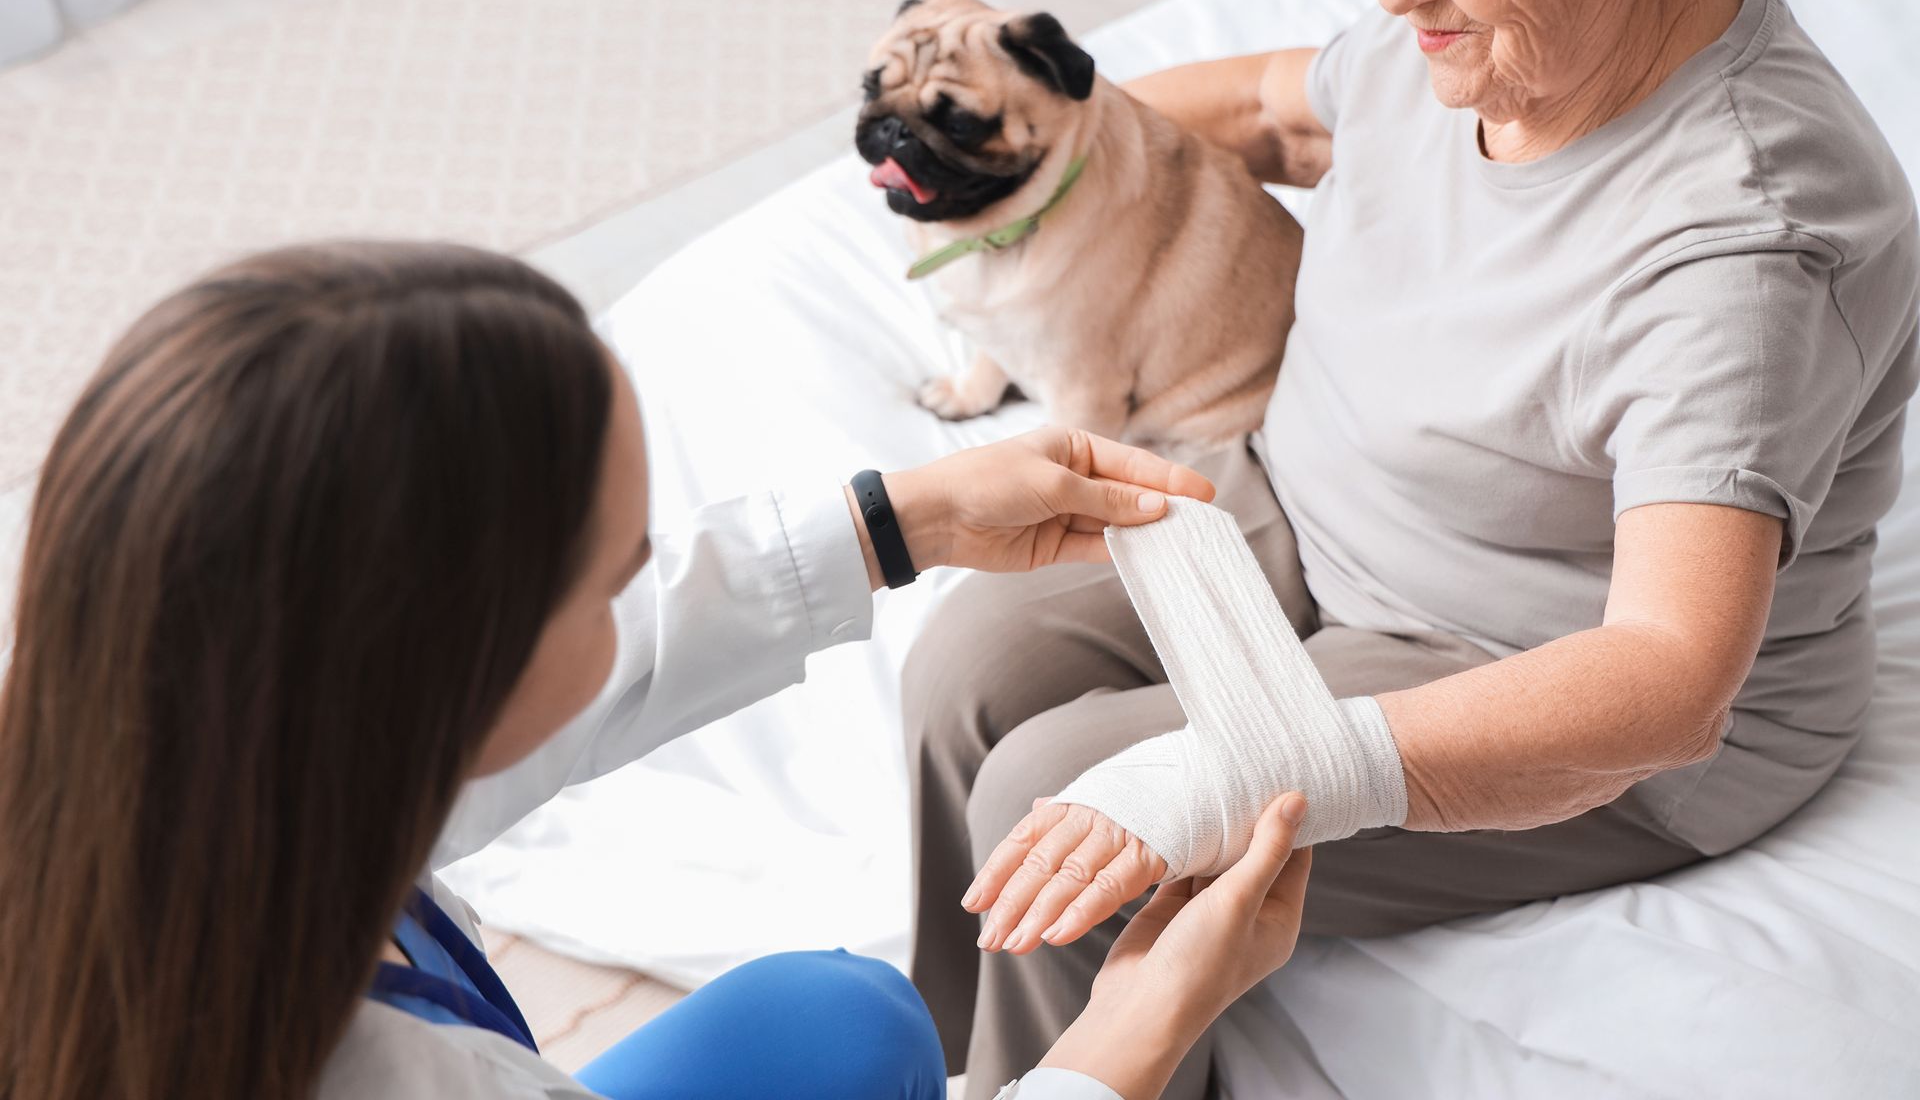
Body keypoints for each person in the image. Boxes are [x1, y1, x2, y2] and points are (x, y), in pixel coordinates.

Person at [903, 0, 1920, 1093]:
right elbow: (1277, 114)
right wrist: (1046, 170)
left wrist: (1243, 768)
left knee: (1056, 795)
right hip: (1299, 495)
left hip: (1532, 660)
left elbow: (1669, 676)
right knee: (966, 663)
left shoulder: (1748, 247)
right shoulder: (1483, 32)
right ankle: (954, 1065)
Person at [0, 240, 1313, 1100]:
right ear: (442, 680)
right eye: (619, 576)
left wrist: (888, 525)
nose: (645, 590)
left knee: (838, 1019)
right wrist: (1129, 1041)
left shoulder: (174, 752)